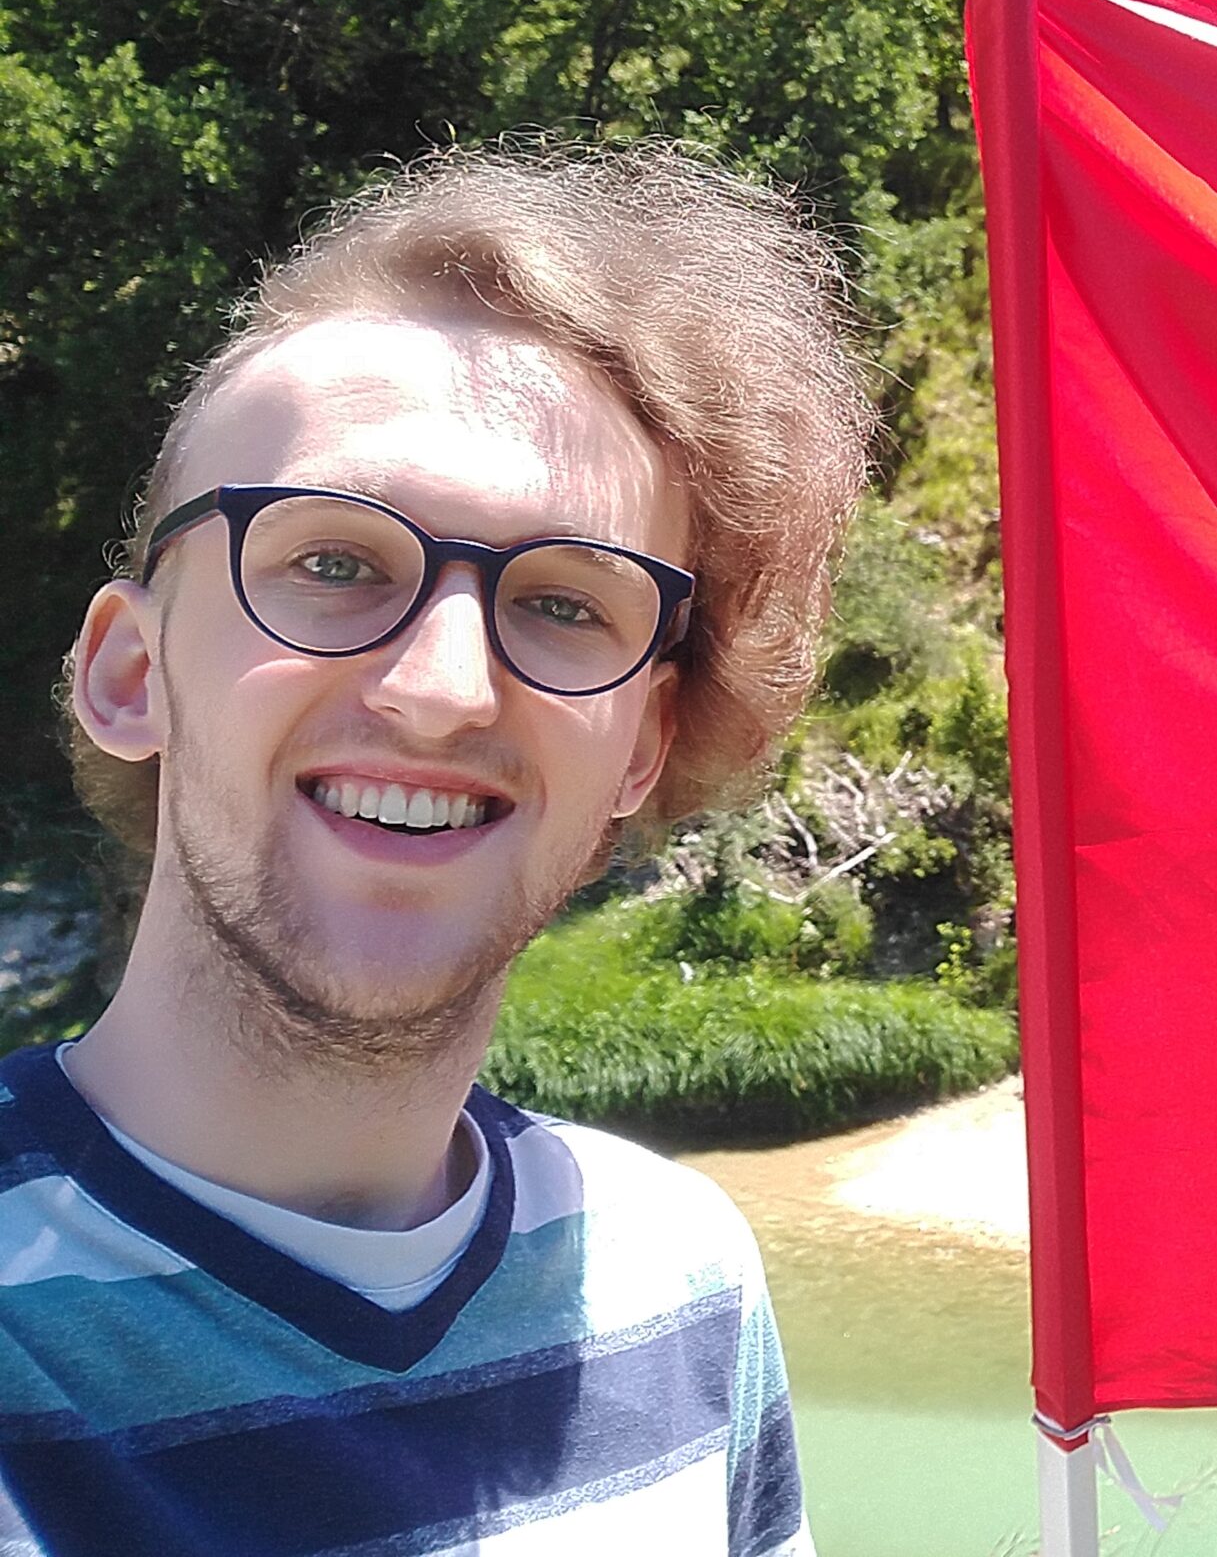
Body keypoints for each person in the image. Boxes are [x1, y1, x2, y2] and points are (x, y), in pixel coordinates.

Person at [0, 144, 872, 1554]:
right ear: (129, 673)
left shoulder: (684, 1283)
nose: (446, 688)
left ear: (638, 753)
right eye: (333, 563)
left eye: (566, 605)